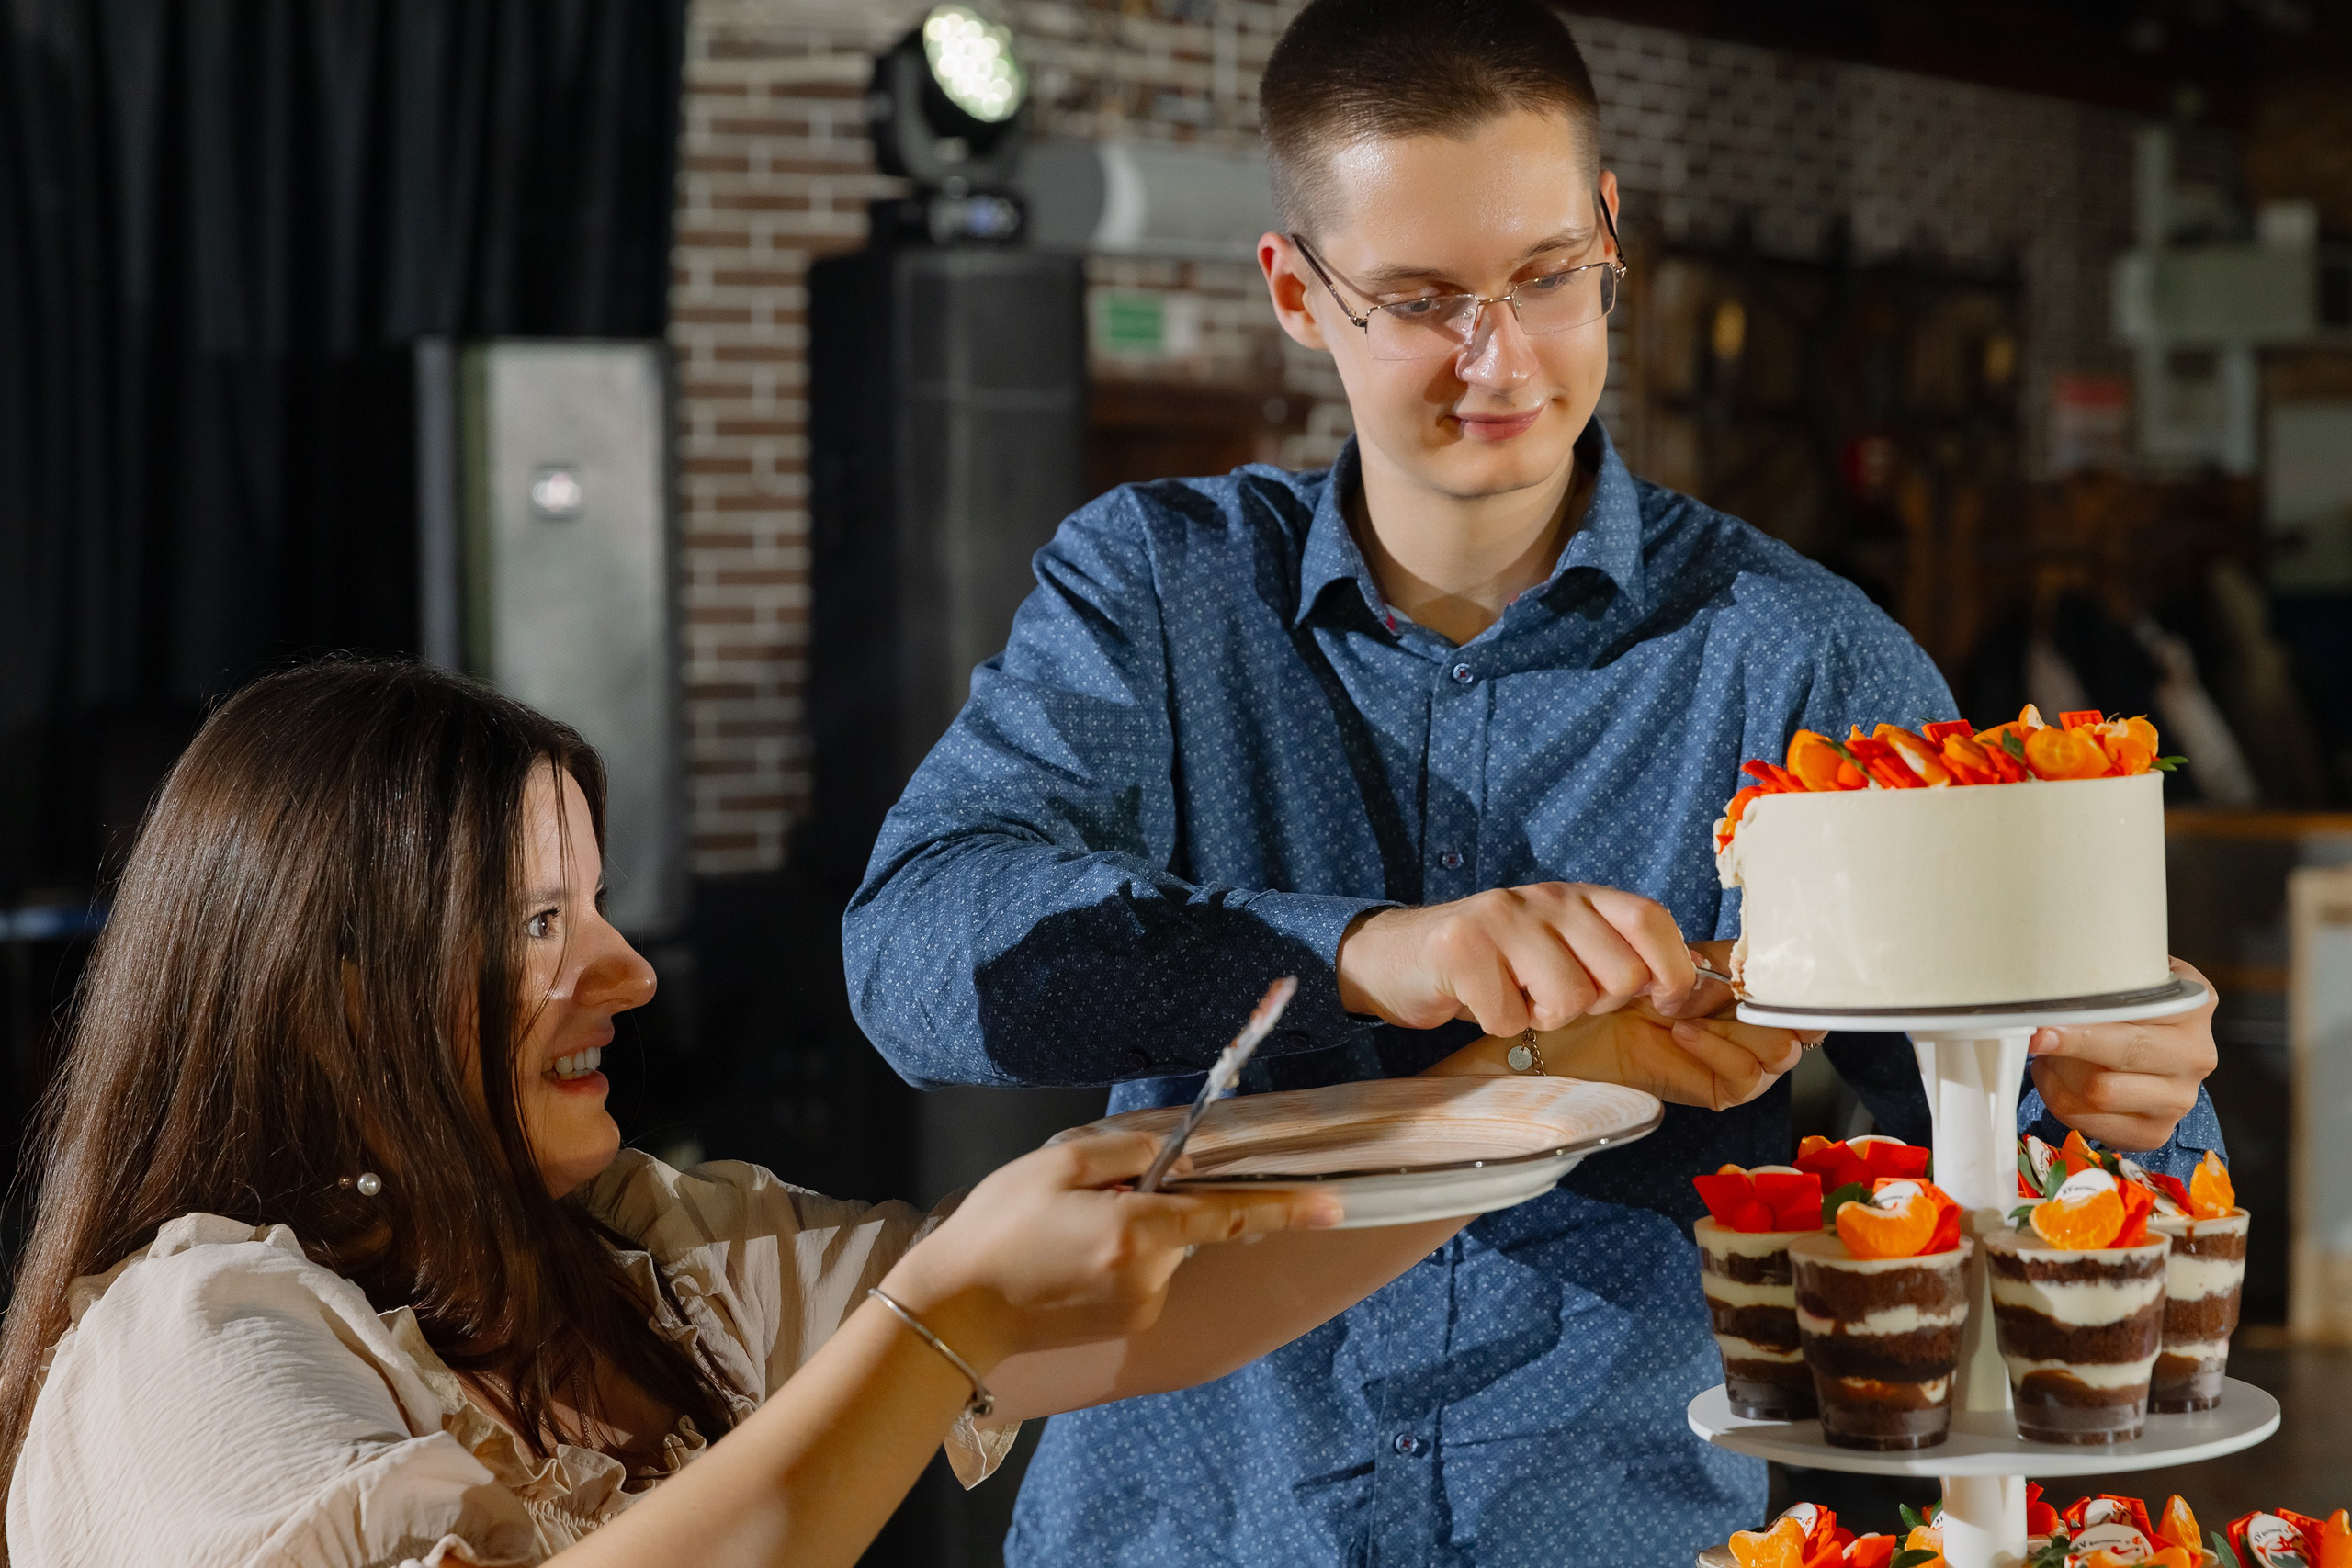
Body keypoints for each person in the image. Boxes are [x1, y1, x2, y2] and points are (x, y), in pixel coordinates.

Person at [842, 0, 2225, 1562]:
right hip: (1186, 1519)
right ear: (1300, 291)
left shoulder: (1804, 664)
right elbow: (916, 961)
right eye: (1423, 298)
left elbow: (1992, 1144)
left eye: (1549, 278)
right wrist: (1379, 952)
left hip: (1610, 1516)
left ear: (1612, 232)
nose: (1497, 359)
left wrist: (2123, 1106)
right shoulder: (1157, 592)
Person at [0, 660, 1771, 1568]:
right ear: (333, 979)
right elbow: (978, 1309)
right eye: (543, 925)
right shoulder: (191, 1337)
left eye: (600, 908)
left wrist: (1561, 1079)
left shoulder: (645, 1260)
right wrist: (940, 1316)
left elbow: (1176, 1263)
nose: (626, 975)